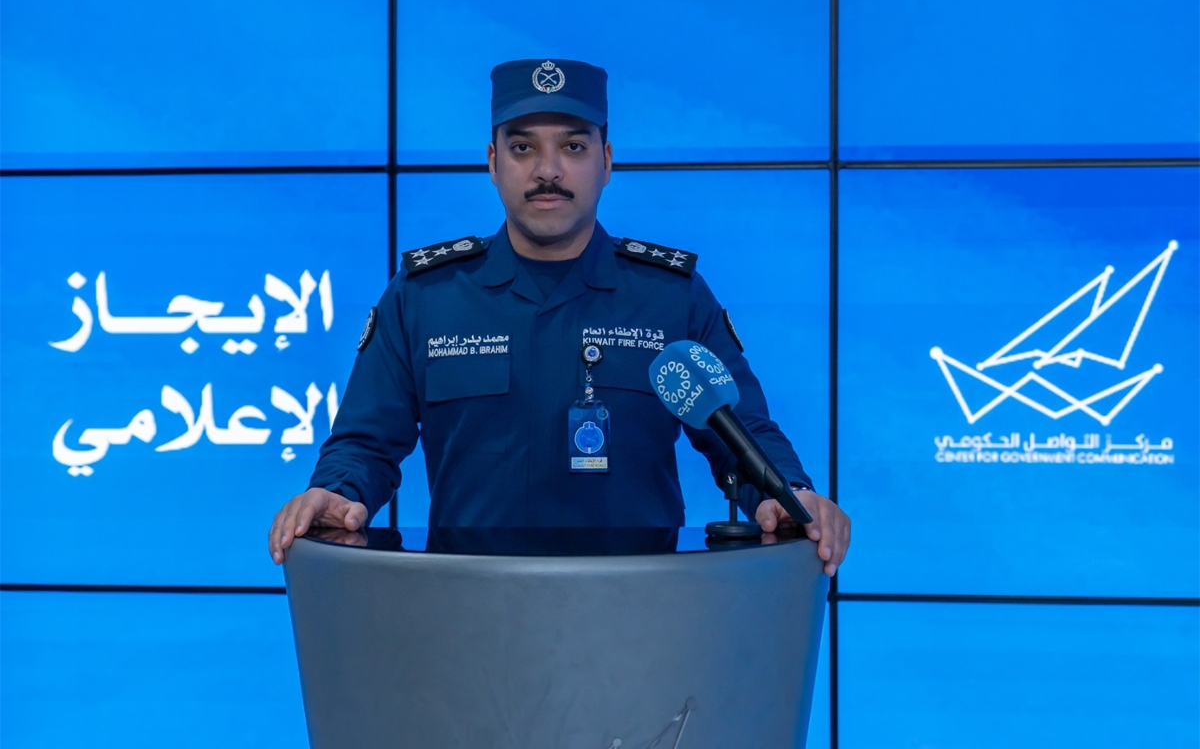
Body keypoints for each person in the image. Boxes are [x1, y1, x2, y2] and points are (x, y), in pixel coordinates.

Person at [268, 59, 850, 575]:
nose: (548, 170)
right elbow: (365, 444)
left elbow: (743, 436)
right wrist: (335, 491)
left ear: (607, 161)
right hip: (463, 615)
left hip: (647, 618)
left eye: (573, 147)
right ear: (493, 162)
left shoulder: (671, 296)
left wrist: (790, 495)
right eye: (523, 148)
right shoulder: (426, 296)